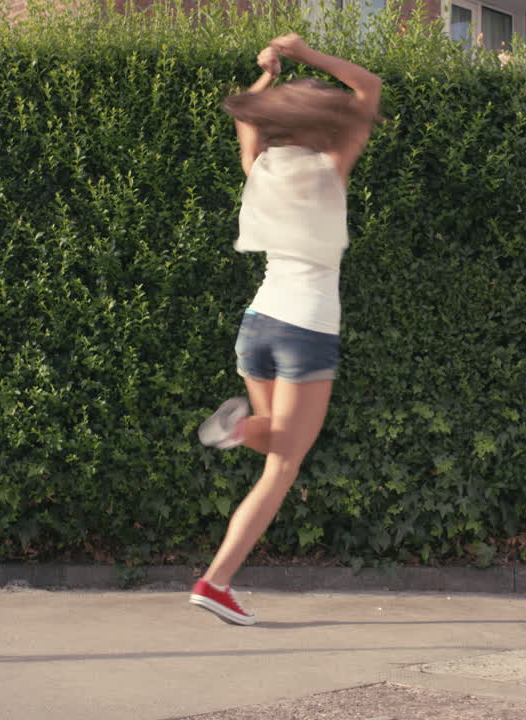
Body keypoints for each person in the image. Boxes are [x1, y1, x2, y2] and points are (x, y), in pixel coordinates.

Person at [189, 34, 382, 626]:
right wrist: (305, 53)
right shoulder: (330, 169)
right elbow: (369, 87)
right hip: (306, 328)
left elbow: (245, 121)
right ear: (324, 125)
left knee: (278, 451)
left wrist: (268, 75)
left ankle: (217, 580)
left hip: (258, 324)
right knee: (285, 461)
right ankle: (217, 579)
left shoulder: (261, 169)